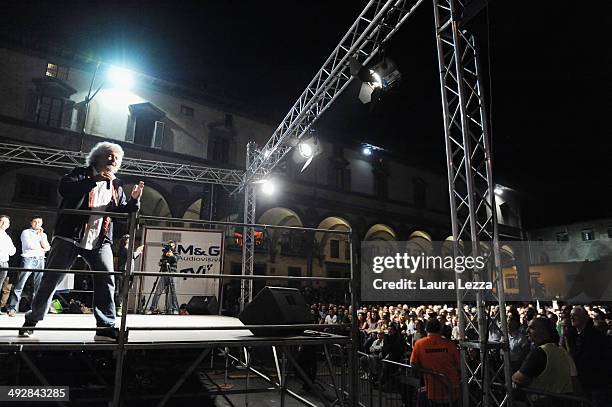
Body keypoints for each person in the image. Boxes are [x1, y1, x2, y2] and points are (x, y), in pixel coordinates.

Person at [19, 142, 144, 341]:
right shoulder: (80, 173)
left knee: (106, 280)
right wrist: (94, 179)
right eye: (110, 156)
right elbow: (65, 189)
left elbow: (121, 213)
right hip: (70, 235)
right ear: (98, 157)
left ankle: (105, 327)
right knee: (51, 280)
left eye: (117, 158)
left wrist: (134, 201)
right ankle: (31, 321)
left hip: (100, 239)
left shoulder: (117, 184)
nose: (114, 160)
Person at [512, 317, 576, 405]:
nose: (527, 331)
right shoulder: (562, 350)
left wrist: (513, 377)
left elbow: (519, 379)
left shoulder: (539, 352)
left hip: (544, 402)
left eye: (531, 328)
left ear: (543, 331)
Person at [410, 318, 461, 406]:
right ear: (440, 330)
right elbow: (459, 364)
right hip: (452, 386)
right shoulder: (449, 344)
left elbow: (413, 364)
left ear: (426, 329)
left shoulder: (419, 344)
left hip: (433, 389)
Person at [7, 216, 50, 316]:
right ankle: (12, 308)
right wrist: (42, 249)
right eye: (35, 222)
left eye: (39, 222)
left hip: (40, 260)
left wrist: (41, 237)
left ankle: (34, 309)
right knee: (20, 284)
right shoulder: (26, 232)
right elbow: (29, 245)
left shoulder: (43, 234)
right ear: (31, 222)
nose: (37, 224)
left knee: (38, 286)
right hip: (28, 259)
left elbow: (47, 247)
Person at [569, 306, 612, 406]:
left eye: (574, 315)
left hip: (596, 383)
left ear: (584, 317)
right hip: (586, 382)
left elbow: (589, 359)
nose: (571, 318)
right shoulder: (576, 336)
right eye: (570, 315)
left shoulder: (594, 337)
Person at [147, 241, 179, 314]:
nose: (170, 247)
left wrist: (171, 255)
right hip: (164, 274)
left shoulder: (176, 254)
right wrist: (162, 262)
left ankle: (174, 309)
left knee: (172, 292)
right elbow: (161, 262)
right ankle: (152, 308)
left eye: (171, 246)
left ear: (174, 246)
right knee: (158, 291)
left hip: (172, 274)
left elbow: (175, 259)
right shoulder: (164, 253)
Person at [115, 234, 143, 315]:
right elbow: (132, 256)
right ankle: (119, 308)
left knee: (124, 290)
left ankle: (120, 307)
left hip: (126, 271)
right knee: (123, 290)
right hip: (125, 271)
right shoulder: (125, 248)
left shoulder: (123, 248)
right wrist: (138, 250)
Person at [0, 215, 17, 314]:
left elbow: (12, 251)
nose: (3, 224)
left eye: (5, 222)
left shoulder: (7, 237)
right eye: (1, 221)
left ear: (8, 225)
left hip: (4, 262)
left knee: (1, 285)